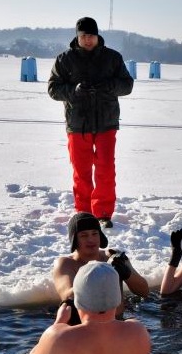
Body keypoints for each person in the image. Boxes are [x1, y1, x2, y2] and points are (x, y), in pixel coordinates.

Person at [47, 16, 134, 228]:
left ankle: (103, 213)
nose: (88, 40)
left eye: (91, 36)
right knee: (81, 170)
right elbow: (53, 89)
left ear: (97, 36)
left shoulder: (112, 58)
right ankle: (84, 214)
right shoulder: (64, 59)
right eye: (84, 36)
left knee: (105, 168)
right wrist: (73, 91)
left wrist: (109, 86)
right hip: (78, 124)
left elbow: (127, 85)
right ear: (77, 37)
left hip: (106, 123)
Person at [53, 211, 149, 325]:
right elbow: (68, 296)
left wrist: (126, 273)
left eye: (95, 233)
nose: (91, 239)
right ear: (74, 239)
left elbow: (144, 292)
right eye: (84, 235)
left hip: (117, 321)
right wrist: (102, 271)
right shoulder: (66, 263)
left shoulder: (113, 256)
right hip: (83, 326)